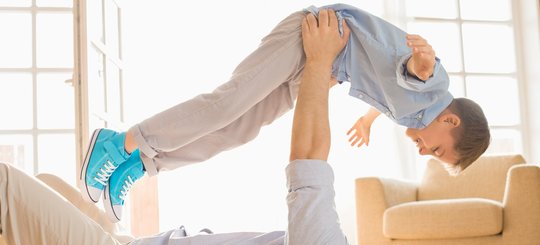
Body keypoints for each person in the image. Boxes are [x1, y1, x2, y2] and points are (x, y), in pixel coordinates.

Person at [0, 10, 457, 245]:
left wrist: (319, 62)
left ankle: (124, 145)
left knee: (5, 185)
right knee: (41, 189)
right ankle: (138, 161)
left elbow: (308, 162)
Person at [79, 3, 491, 223]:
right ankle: (119, 144)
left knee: (239, 131)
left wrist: (367, 119)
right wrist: (423, 62)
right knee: (228, 103)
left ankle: (140, 164)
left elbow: (392, 95)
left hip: (321, 64)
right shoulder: (434, 85)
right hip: (312, 34)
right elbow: (417, 73)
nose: (425, 154)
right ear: (450, 121)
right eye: (437, 152)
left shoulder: (416, 118)